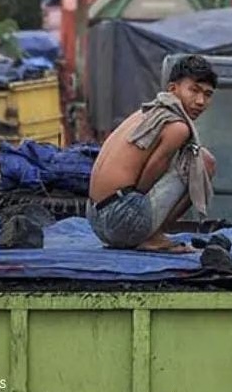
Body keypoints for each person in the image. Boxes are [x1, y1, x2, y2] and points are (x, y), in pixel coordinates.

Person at [86, 55, 218, 253]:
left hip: (95, 217)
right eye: (194, 90)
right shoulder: (177, 127)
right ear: (173, 89)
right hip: (120, 221)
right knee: (204, 162)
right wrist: (139, 214)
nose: (200, 101)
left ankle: (145, 231)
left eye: (207, 95)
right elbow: (147, 179)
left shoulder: (146, 112)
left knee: (191, 158)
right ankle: (154, 237)